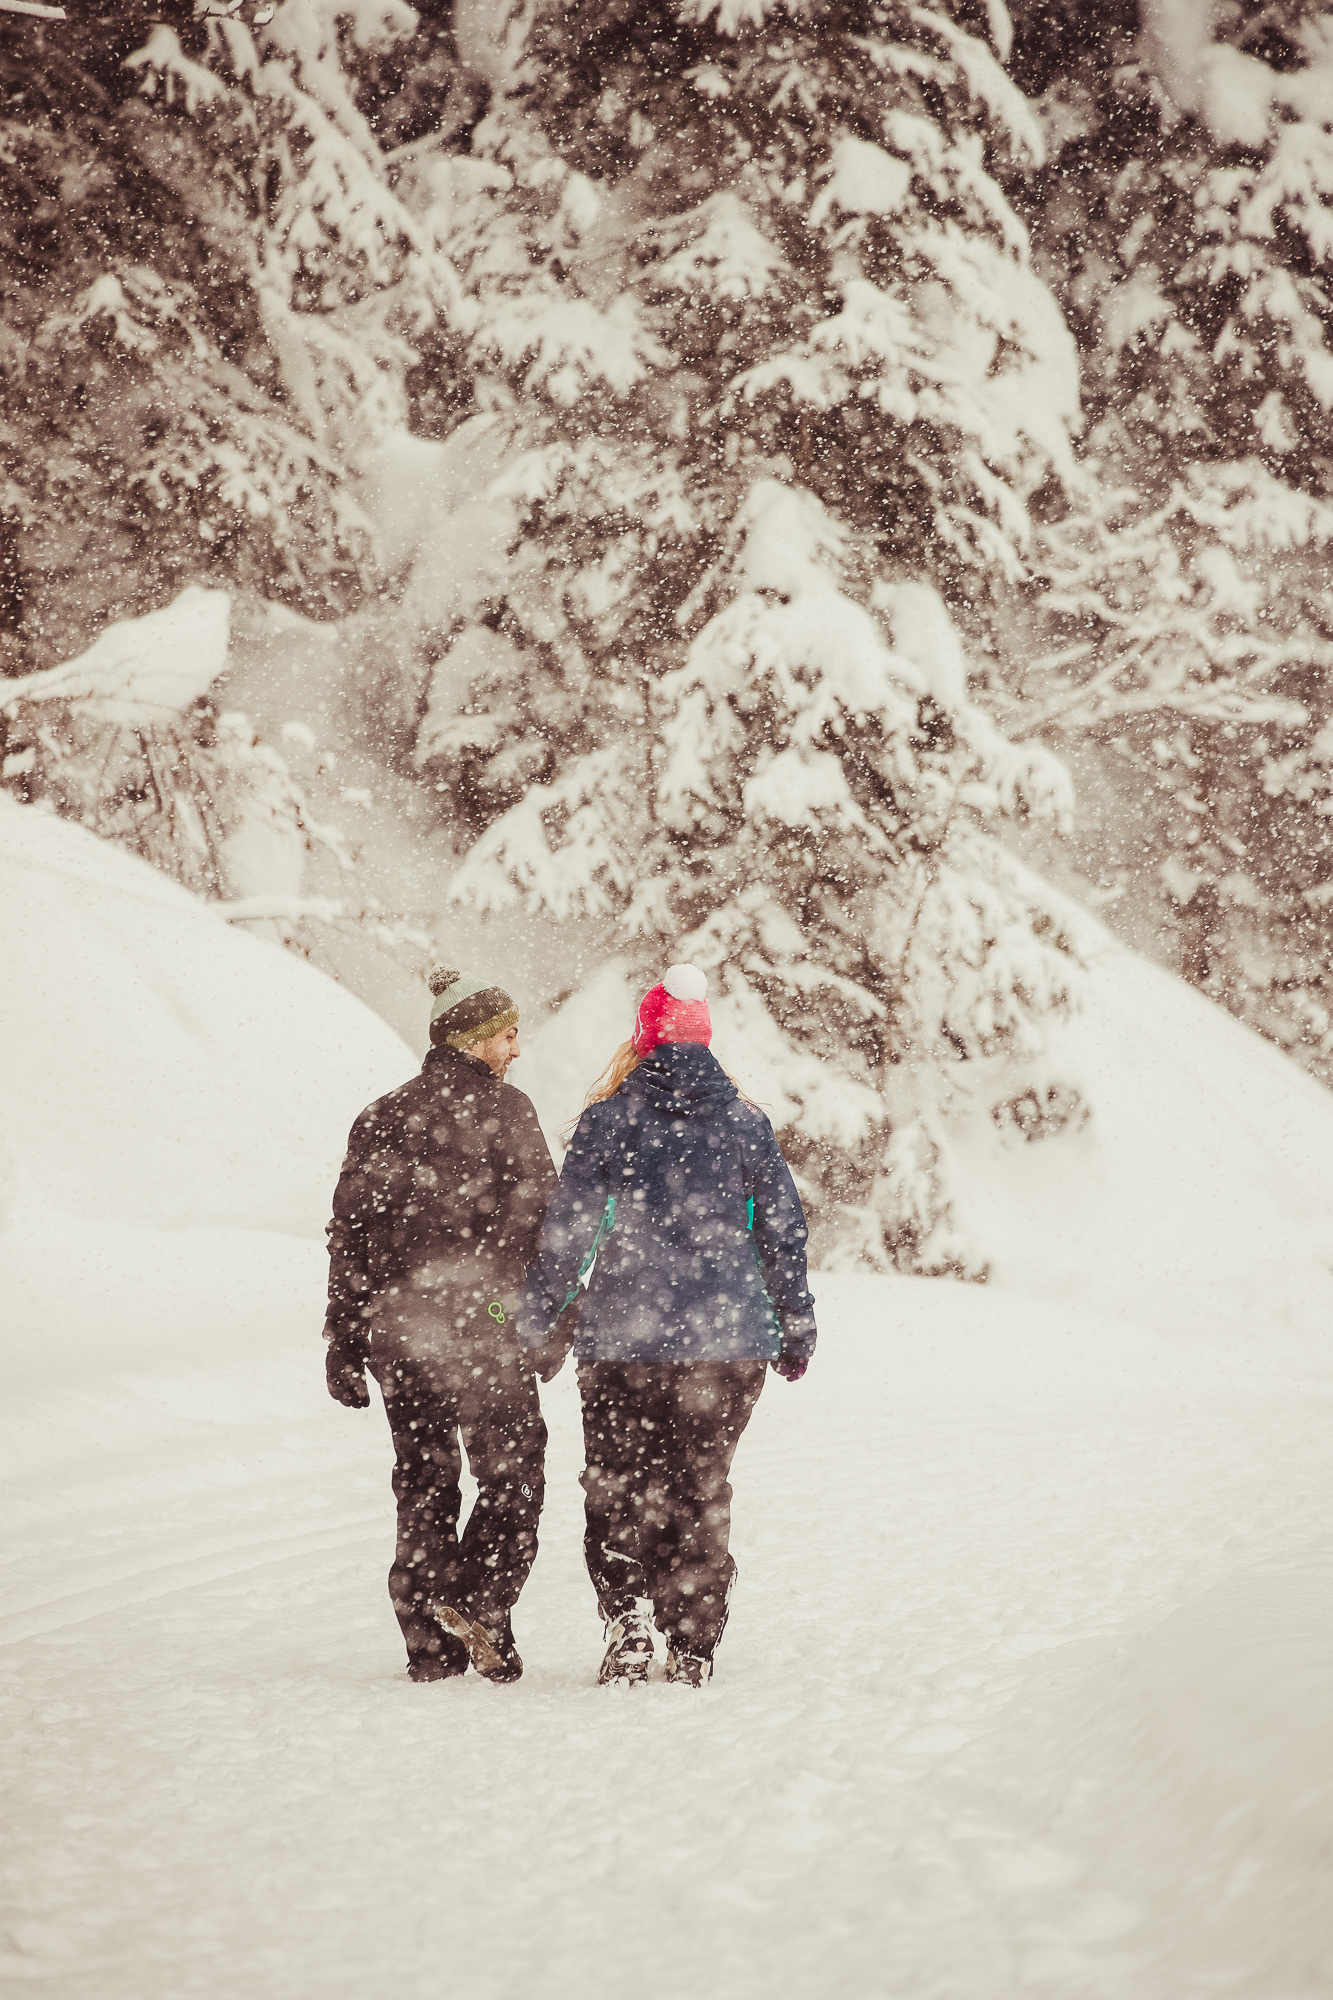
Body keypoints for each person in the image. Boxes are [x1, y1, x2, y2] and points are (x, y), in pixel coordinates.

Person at [517, 963, 817, 1688]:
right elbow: (783, 1231)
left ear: (645, 1039)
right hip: (727, 1339)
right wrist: (795, 1323)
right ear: (704, 1042)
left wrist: (535, 1316)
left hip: (624, 1339)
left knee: (616, 1484)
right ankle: (692, 1642)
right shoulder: (745, 1123)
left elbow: (568, 1232)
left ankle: (628, 1624)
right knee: (698, 1486)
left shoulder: (609, 1120)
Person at [323, 965, 557, 1684]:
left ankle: (429, 1642)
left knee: (423, 1481)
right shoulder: (507, 1112)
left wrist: (343, 1336)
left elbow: (349, 1234)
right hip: (486, 1328)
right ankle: (481, 1603)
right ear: (477, 1036)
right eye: (509, 1035)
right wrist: (545, 1323)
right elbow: (543, 1224)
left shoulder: (381, 1114)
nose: (517, 1050)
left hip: (401, 1333)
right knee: (512, 1477)